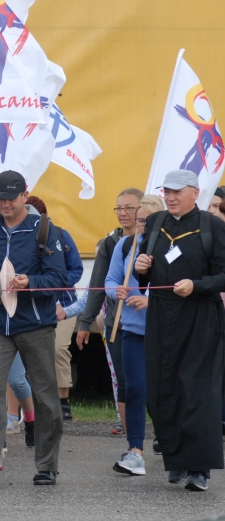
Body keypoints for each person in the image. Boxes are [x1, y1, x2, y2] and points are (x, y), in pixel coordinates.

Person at [0, 171, 68, 487]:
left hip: (36, 324)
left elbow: (60, 279)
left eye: (10, 198)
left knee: (45, 395)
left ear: (25, 196)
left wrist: (31, 282)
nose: (4, 204)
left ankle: (47, 464)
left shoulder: (45, 229)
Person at [134, 170, 225, 492]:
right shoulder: (155, 222)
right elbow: (145, 274)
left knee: (198, 393)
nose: (171, 197)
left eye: (177, 192)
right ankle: (176, 460)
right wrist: (141, 269)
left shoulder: (213, 226)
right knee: (163, 389)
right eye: (167, 192)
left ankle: (199, 468)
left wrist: (196, 285)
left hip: (200, 316)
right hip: (161, 315)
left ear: (195, 193)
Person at [76, 188, 144, 435]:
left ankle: (162, 433)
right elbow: (97, 284)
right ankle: (131, 437)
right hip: (117, 322)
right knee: (124, 381)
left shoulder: (155, 240)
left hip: (150, 322)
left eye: (129, 208)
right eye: (119, 208)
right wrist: (85, 323)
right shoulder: (110, 243)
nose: (123, 213)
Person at [106, 195, 164, 477]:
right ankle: (135, 451)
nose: (143, 227)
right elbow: (110, 280)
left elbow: (180, 288)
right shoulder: (126, 244)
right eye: (141, 221)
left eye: (149, 221)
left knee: (165, 392)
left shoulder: (171, 245)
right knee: (135, 389)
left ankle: (172, 444)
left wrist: (150, 301)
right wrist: (115, 291)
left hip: (165, 332)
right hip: (132, 330)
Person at [28, 195, 84, 421]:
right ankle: (36, 403)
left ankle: (63, 400)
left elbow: (76, 270)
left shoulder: (61, 235)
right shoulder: (20, 239)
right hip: (33, 305)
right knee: (34, 353)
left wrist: (53, 286)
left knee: (59, 349)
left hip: (65, 304)